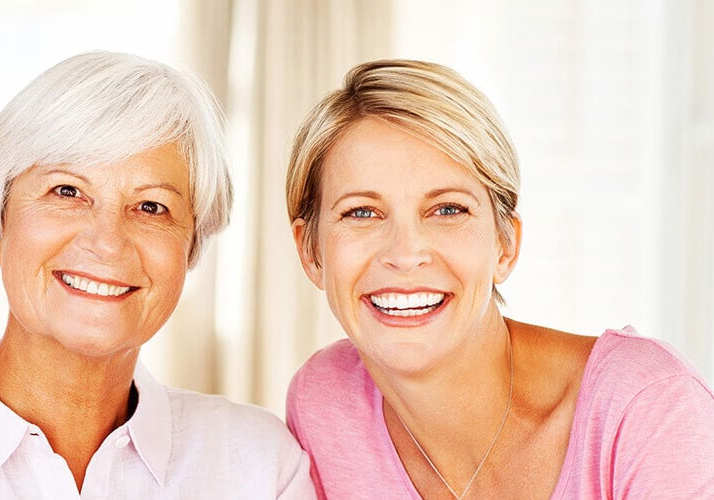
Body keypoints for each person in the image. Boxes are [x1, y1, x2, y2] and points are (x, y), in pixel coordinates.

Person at [285, 59, 714, 499]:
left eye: (448, 209)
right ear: (310, 251)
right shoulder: (324, 403)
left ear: (505, 245)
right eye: (362, 212)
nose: (406, 254)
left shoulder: (650, 408)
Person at [0, 51, 315, 499]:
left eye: (152, 207)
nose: (107, 242)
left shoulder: (259, 465)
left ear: (192, 248)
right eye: (67, 191)